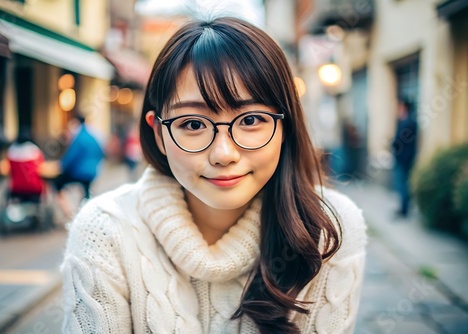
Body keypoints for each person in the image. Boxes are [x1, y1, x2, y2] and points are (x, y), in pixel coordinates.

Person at [61, 17, 367, 333]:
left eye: (250, 120)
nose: (223, 154)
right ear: (157, 134)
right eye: (193, 124)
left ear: (284, 126)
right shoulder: (104, 232)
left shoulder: (330, 228)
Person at [54, 114, 104, 219]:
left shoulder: (78, 137)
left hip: (80, 172)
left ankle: (68, 211)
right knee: (86, 191)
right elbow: (101, 151)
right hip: (92, 172)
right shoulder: (92, 135)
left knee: (58, 183)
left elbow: (71, 157)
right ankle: (86, 212)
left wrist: (61, 166)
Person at [391, 99, 418, 217]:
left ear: (404, 108)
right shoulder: (412, 122)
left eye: (400, 107)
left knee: (402, 183)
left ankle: (404, 209)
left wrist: (392, 144)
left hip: (403, 158)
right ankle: (404, 207)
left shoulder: (406, 123)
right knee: (404, 182)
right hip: (408, 157)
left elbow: (399, 141)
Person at [7, 129, 45, 202]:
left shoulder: (11, 150)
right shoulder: (35, 150)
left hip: (16, 187)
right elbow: (41, 167)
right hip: (34, 187)